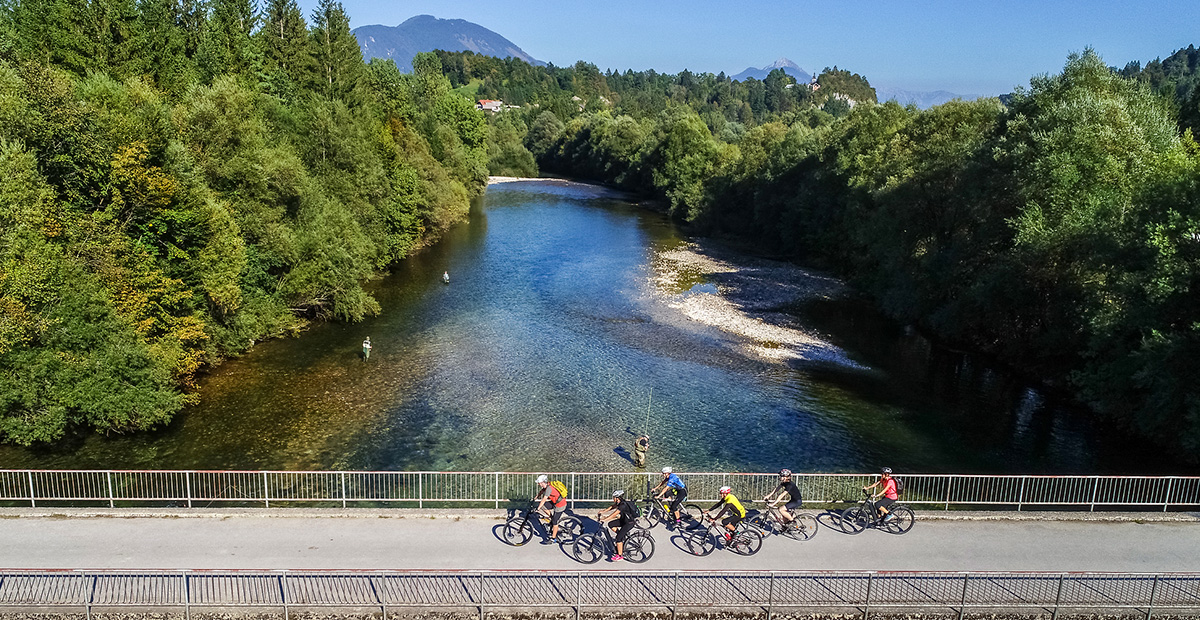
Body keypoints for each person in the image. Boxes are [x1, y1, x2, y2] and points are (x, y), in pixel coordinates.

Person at [596, 490, 638, 561]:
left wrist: (605, 519)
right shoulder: (619, 502)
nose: (613, 498)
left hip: (629, 523)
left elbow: (614, 514)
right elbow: (612, 507)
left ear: (617, 498)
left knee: (618, 538)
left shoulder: (623, 505)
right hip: (624, 520)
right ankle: (621, 536)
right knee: (611, 524)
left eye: (613, 497)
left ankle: (620, 555)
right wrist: (603, 511)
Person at [533, 474, 567, 544]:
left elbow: (544, 499)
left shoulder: (549, 488)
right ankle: (552, 518)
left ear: (542, 482)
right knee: (543, 506)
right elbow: (542, 491)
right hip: (555, 503)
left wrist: (538, 508)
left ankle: (553, 539)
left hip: (560, 505)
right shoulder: (547, 485)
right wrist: (536, 497)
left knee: (555, 522)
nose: (539, 484)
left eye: (539, 483)